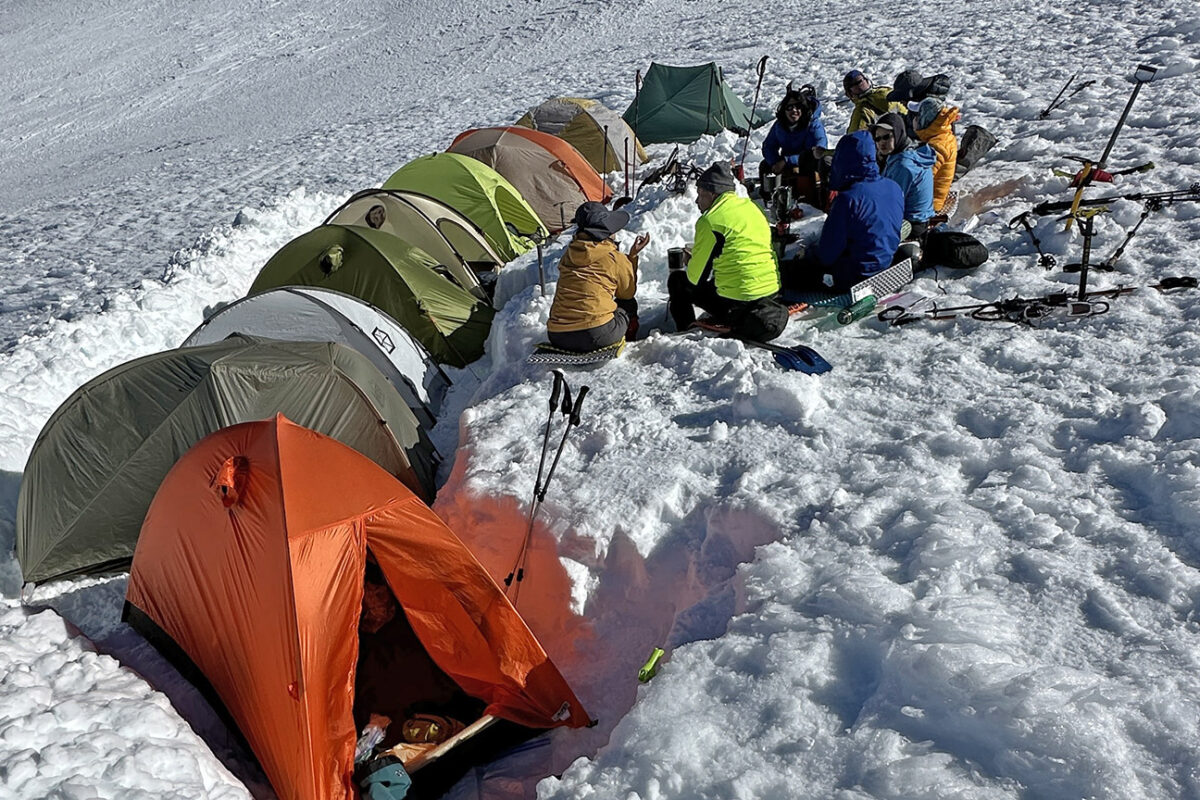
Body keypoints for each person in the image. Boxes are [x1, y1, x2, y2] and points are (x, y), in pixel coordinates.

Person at [668, 162, 789, 341]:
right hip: (771, 294)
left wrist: (690, 261)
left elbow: (695, 277)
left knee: (678, 281)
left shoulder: (710, 220)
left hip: (739, 305)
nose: (697, 201)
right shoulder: (751, 208)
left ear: (713, 193)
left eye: (700, 194)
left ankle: (685, 332)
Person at [782, 130, 903, 292]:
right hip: (885, 264)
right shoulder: (893, 187)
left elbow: (827, 254)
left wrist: (808, 253)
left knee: (792, 271)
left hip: (854, 275)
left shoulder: (848, 199)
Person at [546, 202, 648, 352]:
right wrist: (631, 257)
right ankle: (630, 341)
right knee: (627, 305)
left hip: (557, 335)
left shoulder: (568, 255)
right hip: (596, 334)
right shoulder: (614, 257)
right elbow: (627, 293)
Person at [760, 83, 828, 206]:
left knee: (813, 165)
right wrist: (774, 162)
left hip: (805, 163)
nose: (794, 111)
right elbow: (768, 146)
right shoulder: (780, 125)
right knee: (765, 166)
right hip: (785, 163)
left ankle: (812, 201)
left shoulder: (813, 124)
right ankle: (770, 199)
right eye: (789, 107)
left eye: (798, 107)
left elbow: (818, 150)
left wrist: (787, 160)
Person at [872, 112, 936, 238]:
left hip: (913, 224)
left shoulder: (903, 165)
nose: (881, 143)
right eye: (877, 139)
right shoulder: (905, 154)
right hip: (915, 218)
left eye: (886, 137)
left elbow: (891, 204)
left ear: (898, 133)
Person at [911, 97, 961, 214]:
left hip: (929, 203)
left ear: (925, 119)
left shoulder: (936, 147)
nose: (914, 119)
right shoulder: (943, 135)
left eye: (918, 115)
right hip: (933, 197)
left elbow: (921, 179)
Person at [843, 69, 906, 134]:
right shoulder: (889, 93)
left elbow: (855, 140)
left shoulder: (862, 111)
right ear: (867, 81)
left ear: (850, 94)